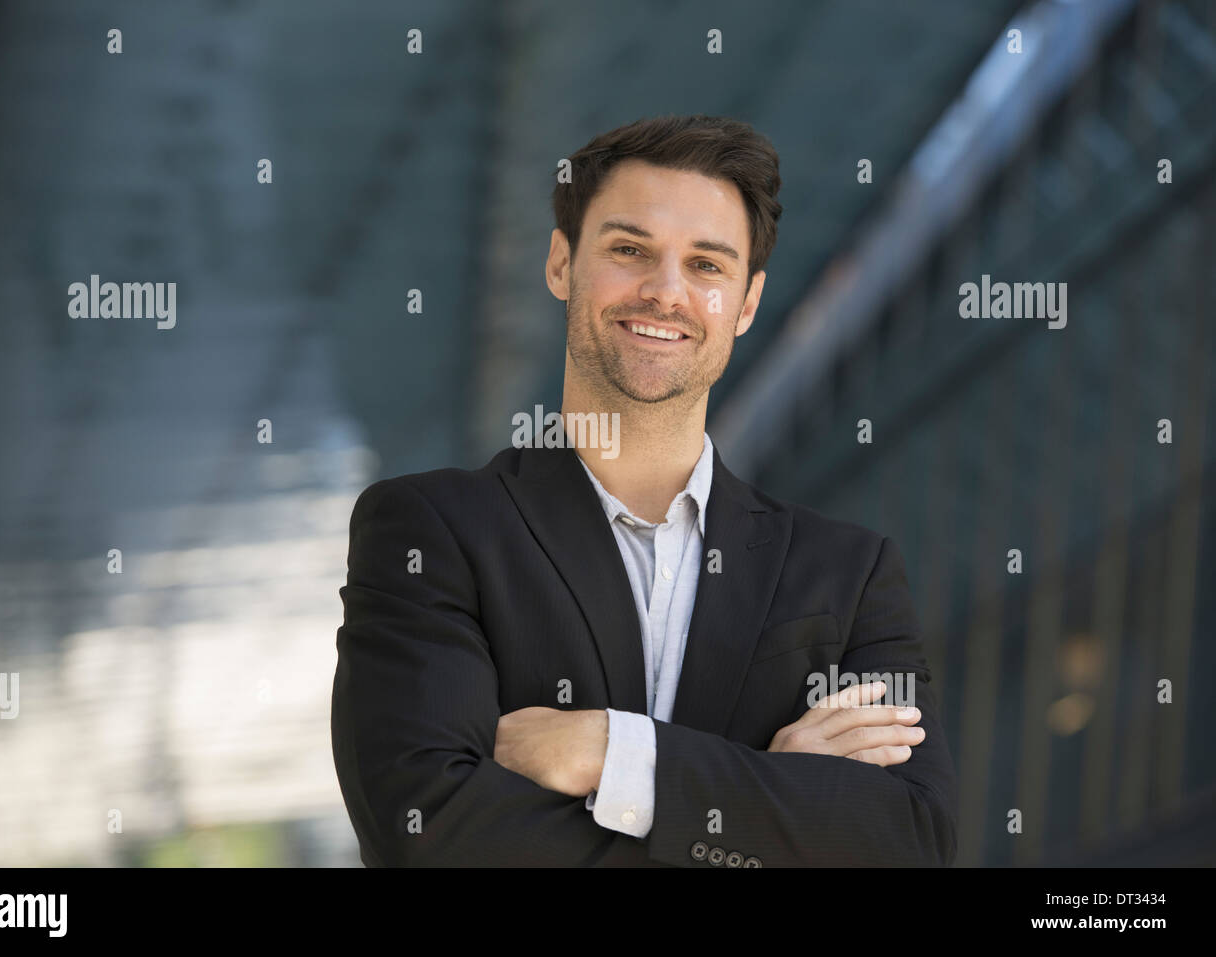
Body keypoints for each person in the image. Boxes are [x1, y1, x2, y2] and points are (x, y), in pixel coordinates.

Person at [331, 114, 957, 867]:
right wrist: (778, 789)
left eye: (707, 266)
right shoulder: (431, 531)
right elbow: (429, 833)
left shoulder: (849, 576)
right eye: (630, 250)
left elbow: (909, 841)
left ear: (749, 302)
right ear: (562, 263)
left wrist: (618, 752)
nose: (665, 292)